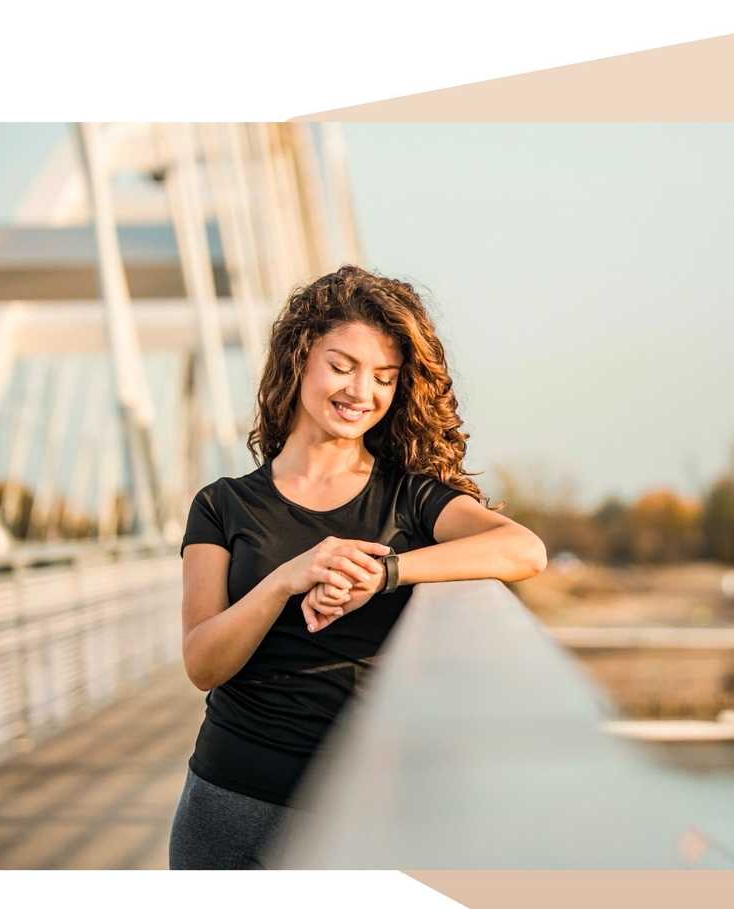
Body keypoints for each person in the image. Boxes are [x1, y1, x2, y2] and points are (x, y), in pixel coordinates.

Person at [168, 265, 547, 869]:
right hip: (229, 804)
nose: (361, 392)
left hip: (361, 815)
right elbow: (202, 664)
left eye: (384, 378)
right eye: (342, 366)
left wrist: (387, 572)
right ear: (299, 360)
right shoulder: (222, 505)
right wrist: (285, 579)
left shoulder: (409, 498)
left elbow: (524, 550)